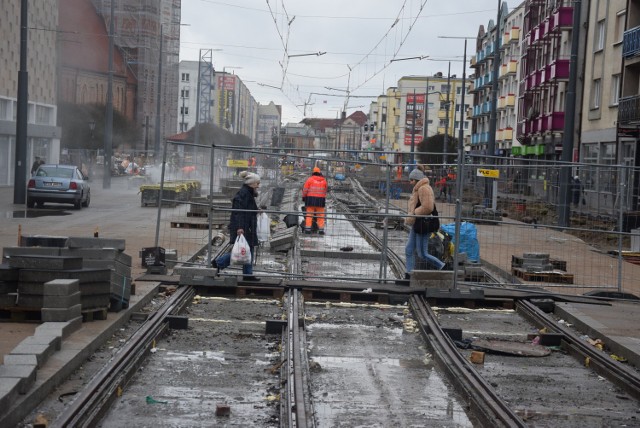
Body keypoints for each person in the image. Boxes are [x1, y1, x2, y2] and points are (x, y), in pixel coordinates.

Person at [211, 170, 261, 281]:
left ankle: (247, 274)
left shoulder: (248, 193)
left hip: (247, 225)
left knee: (247, 249)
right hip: (243, 226)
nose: (258, 185)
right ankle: (218, 263)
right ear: (251, 183)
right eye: (257, 183)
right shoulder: (243, 194)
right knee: (243, 250)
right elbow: (238, 212)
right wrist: (239, 227)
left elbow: (247, 209)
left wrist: (256, 210)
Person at [399, 165, 445, 285]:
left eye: (411, 180)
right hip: (417, 223)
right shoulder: (418, 188)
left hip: (423, 224)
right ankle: (408, 276)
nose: (410, 182)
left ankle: (442, 266)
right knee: (409, 250)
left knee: (422, 253)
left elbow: (428, 207)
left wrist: (415, 212)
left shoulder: (424, 188)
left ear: (417, 179)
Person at [302, 166, 328, 234]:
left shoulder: (309, 179)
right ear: (320, 173)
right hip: (320, 200)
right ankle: (321, 230)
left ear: (313, 172)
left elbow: (305, 190)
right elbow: (325, 191)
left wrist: (304, 197)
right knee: (320, 215)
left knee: (309, 215)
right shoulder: (324, 181)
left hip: (310, 200)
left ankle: (307, 230)